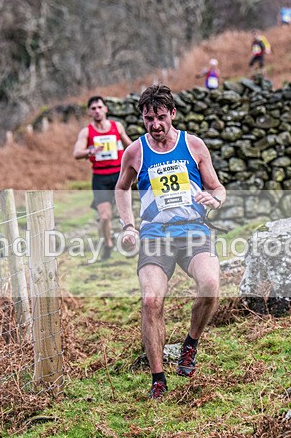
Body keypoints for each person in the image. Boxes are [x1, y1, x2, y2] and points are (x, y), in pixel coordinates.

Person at [115, 84, 226, 400]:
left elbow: (218, 188)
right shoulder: (135, 151)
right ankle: (158, 379)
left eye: (161, 117)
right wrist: (128, 225)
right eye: (149, 119)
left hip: (193, 231)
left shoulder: (193, 145)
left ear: (173, 114)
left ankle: (190, 344)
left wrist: (214, 199)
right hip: (155, 236)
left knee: (210, 286)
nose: (155, 125)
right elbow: (121, 188)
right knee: (151, 300)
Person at [73, 95, 134, 261]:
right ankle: (108, 244)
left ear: (106, 109)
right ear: (89, 112)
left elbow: (131, 147)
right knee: (105, 216)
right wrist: (90, 151)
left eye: (100, 107)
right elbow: (77, 153)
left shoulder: (117, 126)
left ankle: (129, 243)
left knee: (125, 213)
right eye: (93, 108)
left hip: (119, 175)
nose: (97, 111)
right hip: (100, 177)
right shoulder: (87, 132)